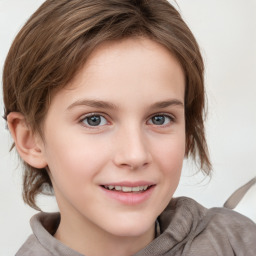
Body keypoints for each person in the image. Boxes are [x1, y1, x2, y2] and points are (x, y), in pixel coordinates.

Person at [2, 0, 256, 255]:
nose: (135, 155)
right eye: (94, 120)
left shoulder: (238, 244)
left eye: (159, 119)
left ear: (188, 132)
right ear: (30, 139)